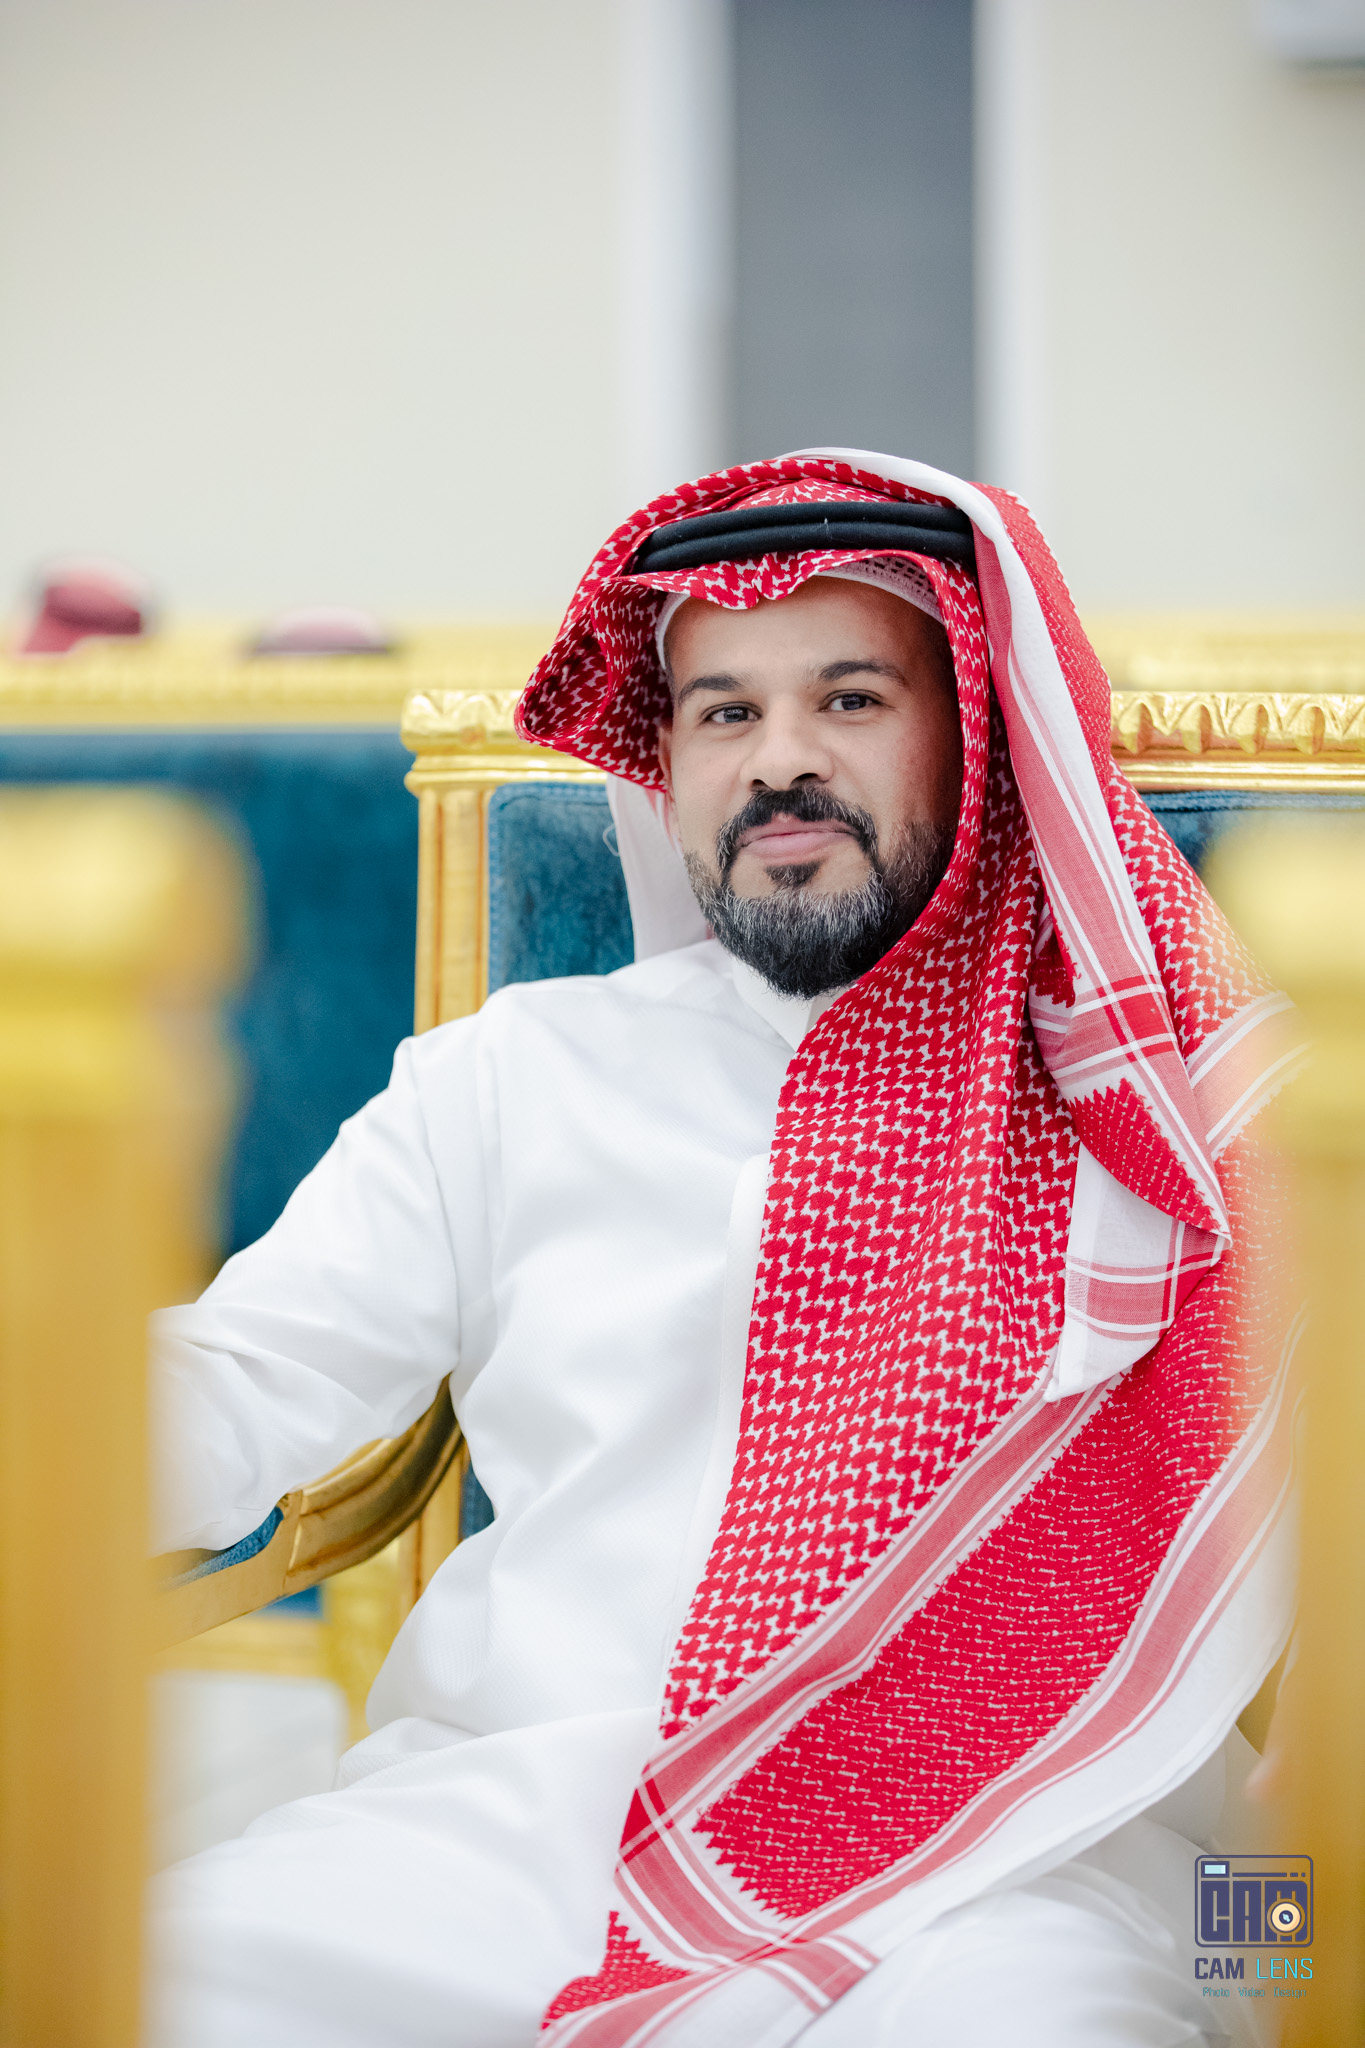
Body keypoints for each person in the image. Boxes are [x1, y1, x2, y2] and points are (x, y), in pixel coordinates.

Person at [149, 451, 1295, 2048]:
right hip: (522, 1817)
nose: (780, 761)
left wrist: (1290, 1888)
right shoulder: (514, 1077)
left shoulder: (1181, 1121)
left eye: (849, 699)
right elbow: (240, 1378)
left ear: (979, 736)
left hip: (1019, 1853)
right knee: (153, 1980)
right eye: (724, 713)